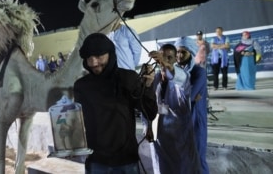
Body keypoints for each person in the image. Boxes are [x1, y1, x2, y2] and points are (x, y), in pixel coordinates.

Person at [73, 33, 157, 174]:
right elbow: (78, 122)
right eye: (89, 58)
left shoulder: (128, 78)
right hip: (96, 161)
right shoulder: (82, 86)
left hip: (126, 161)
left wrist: (147, 87)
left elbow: (150, 112)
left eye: (99, 56)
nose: (94, 63)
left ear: (110, 55)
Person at [149, 43, 201, 174]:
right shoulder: (155, 78)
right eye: (162, 57)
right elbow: (148, 104)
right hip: (161, 135)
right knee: (162, 168)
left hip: (180, 136)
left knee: (182, 168)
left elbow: (176, 76)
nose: (165, 60)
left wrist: (166, 65)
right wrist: (147, 126)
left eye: (169, 58)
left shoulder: (182, 76)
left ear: (175, 59)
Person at [175, 36, 209, 174]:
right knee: (182, 157)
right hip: (179, 119)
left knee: (197, 156)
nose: (179, 55)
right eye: (177, 51)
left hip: (195, 119)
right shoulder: (174, 72)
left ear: (191, 53)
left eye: (183, 52)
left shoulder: (199, 72)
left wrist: (185, 96)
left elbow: (187, 96)